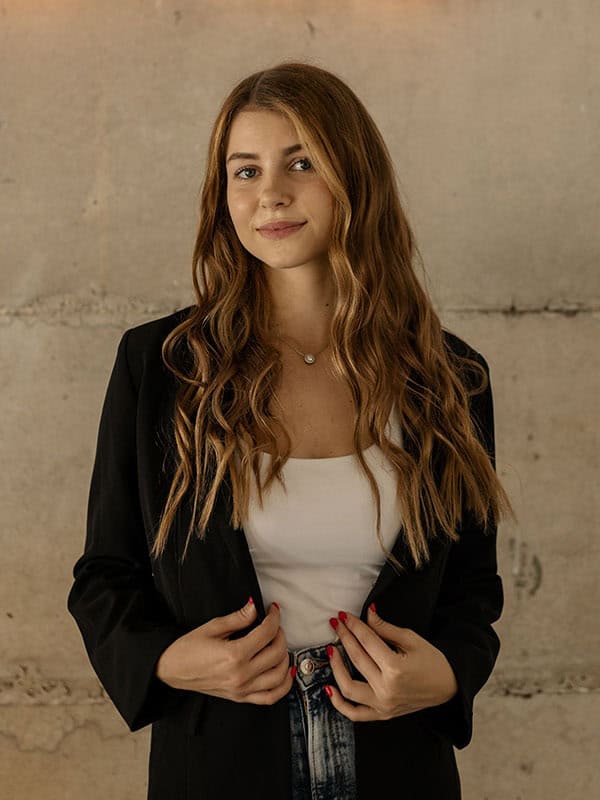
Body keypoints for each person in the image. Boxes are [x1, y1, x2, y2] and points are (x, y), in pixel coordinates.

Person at [67, 60, 515, 800]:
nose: (270, 192)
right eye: (245, 171)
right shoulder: (161, 366)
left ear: (355, 176)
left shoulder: (450, 376)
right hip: (220, 763)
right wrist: (168, 662)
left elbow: (473, 587)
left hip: (399, 765)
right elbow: (105, 575)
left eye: (301, 162)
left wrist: (448, 675)